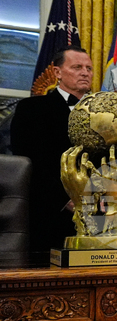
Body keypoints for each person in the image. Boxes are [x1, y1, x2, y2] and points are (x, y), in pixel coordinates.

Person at [10, 46, 93, 256]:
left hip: (99, 215)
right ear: (57, 73)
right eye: (77, 67)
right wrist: (65, 200)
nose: (85, 72)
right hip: (50, 215)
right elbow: (29, 161)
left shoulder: (105, 112)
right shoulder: (32, 109)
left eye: (89, 68)